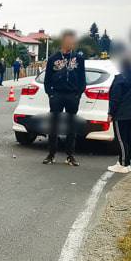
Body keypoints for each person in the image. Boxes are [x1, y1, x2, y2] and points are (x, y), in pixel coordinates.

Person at [43, 31, 86, 166]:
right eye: (69, 41)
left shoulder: (78, 58)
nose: (71, 43)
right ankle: (51, 154)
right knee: (53, 126)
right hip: (57, 95)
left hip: (72, 95)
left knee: (71, 127)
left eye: (72, 41)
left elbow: (82, 79)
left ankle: (70, 155)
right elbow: (47, 79)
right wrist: (50, 94)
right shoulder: (53, 58)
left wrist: (78, 94)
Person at [106, 47, 131, 173]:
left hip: (120, 113)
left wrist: (110, 113)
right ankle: (127, 162)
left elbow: (115, 98)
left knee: (121, 139)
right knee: (128, 138)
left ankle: (123, 164)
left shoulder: (120, 78)